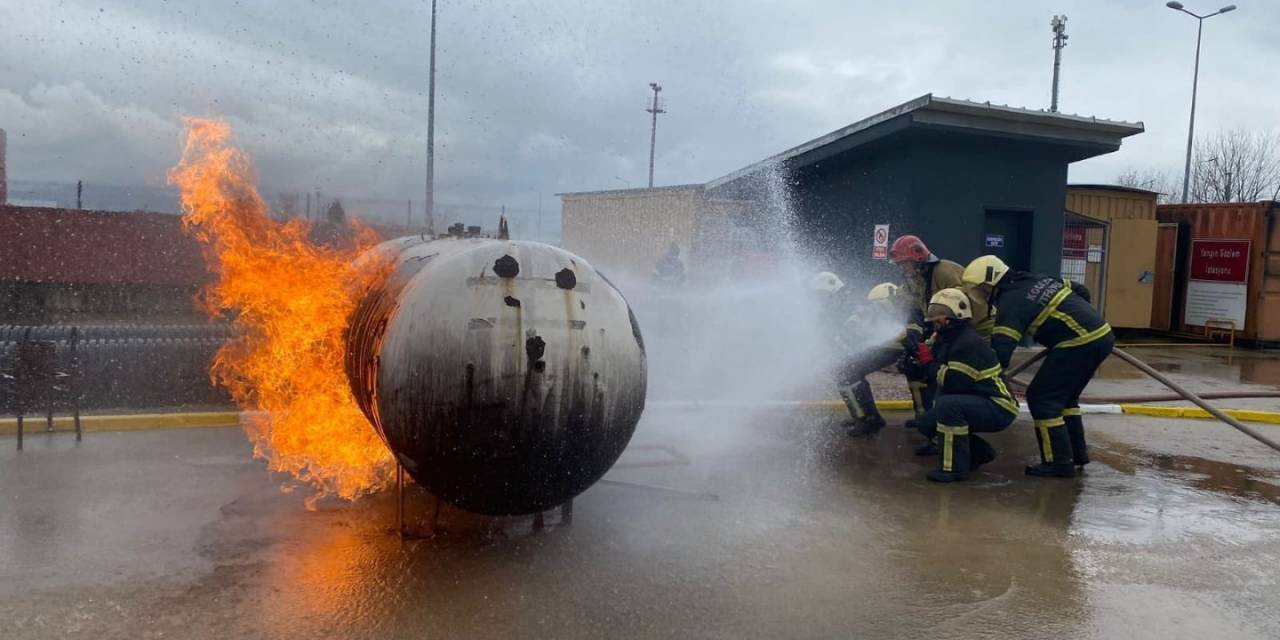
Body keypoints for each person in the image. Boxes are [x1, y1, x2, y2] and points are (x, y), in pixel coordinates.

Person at [962, 255, 1114, 478]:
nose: (983, 296)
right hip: (1101, 335)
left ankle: (1058, 463)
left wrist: (976, 368)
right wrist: (1079, 318)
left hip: (1078, 343)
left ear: (990, 282)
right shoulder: (1037, 279)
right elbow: (1081, 290)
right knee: (1065, 399)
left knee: (1042, 399)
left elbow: (1002, 354)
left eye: (982, 290)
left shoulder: (1010, 302)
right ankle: (1076, 455)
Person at [905, 288, 1019, 483]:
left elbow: (954, 382)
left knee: (949, 406)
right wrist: (913, 365)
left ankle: (953, 469)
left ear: (954, 317)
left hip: (998, 405)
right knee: (926, 422)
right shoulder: (947, 340)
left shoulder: (967, 343)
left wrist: (928, 363)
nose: (935, 321)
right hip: (978, 399)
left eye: (939, 316)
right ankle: (979, 453)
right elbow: (934, 374)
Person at [836, 282, 927, 437]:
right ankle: (863, 416)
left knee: (848, 371)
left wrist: (909, 340)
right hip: (887, 349)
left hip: (895, 349)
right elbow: (863, 330)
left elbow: (914, 333)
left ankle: (867, 419)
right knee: (847, 370)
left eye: (879, 305)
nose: (877, 309)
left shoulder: (908, 311)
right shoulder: (881, 312)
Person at [889, 235, 993, 337]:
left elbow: (960, 307)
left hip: (981, 326)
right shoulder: (914, 282)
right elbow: (909, 307)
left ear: (918, 259)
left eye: (905, 263)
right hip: (953, 329)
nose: (902, 267)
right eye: (899, 264)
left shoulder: (943, 271)